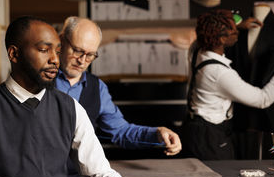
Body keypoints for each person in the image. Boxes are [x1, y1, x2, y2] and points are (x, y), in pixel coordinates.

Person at [0, 16, 143, 177]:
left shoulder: (71, 108)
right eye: (44, 50)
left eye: (57, 50)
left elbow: (99, 171)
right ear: (14, 54)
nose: (54, 59)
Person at [56, 16, 182, 154]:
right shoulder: (38, 80)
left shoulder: (98, 88)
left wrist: (157, 133)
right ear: (61, 40)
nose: (82, 61)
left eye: (90, 55)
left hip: (77, 173)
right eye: (77, 51)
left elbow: (121, 131)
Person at [181, 9, 274, 160]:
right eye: (233, 31)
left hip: (193, 129)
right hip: (210, 137)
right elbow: (263, 99)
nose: (237, 32)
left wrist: (238, 24)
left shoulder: (197, 48)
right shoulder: (219, 73)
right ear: (222, 39)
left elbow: (211, 29)